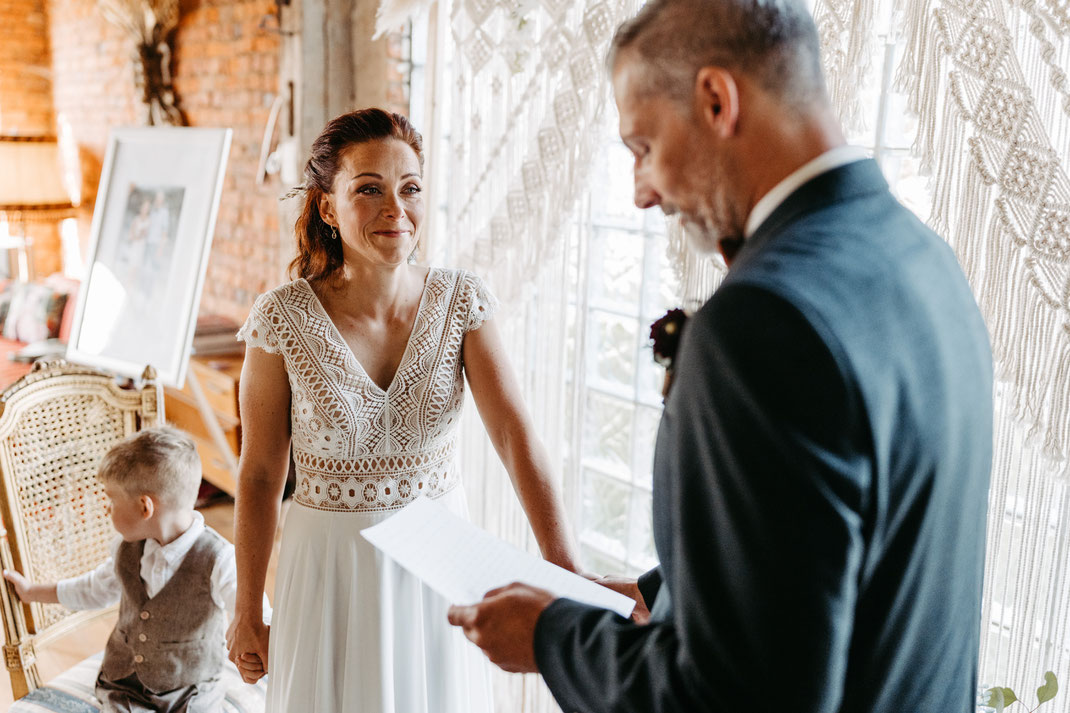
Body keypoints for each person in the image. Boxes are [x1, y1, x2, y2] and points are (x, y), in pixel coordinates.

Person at [447, 1, 994, 711]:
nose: (643, 193)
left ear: (715, 100)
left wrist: (554, 634)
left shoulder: (761, 323)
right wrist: (663, 593)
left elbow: (735, 696)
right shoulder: (926, 259)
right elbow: (833, 541)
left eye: (641, 147)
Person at [226, 107, 581, 713]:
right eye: (369, 189)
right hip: (327, 572)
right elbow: (260, 474)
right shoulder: (280, 320)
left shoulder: (462, 302)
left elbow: (517, 441)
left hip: (439, 569)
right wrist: (247, 608)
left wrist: (566, 575)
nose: (396, 208)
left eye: (410, 188)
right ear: (328, 208)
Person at [2, 426, 268, 712]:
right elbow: (94, 589)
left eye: (111, 500)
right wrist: (33, 592)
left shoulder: (218, 558)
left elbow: (251, 609)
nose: (107, 510)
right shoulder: (125, 549)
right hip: (126, 686)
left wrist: (262, 642)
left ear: (145, 507)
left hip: (193, 689)